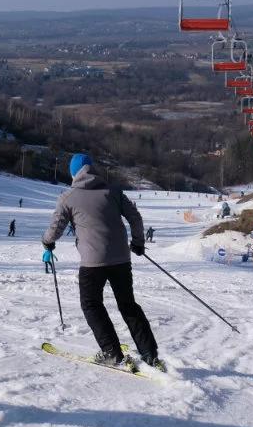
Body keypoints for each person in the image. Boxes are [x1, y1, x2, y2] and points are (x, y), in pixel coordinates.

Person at [41, 153, 162, 370]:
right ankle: (150, 354)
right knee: (128, 304)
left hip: (92, 262)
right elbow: (135, 217)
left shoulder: (69, 198)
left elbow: (55, 229)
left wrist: (47, 243)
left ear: (73, 173)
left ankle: (111, 352)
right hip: (121, 260)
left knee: (91, 304)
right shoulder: (113, 191)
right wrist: (138, 243)